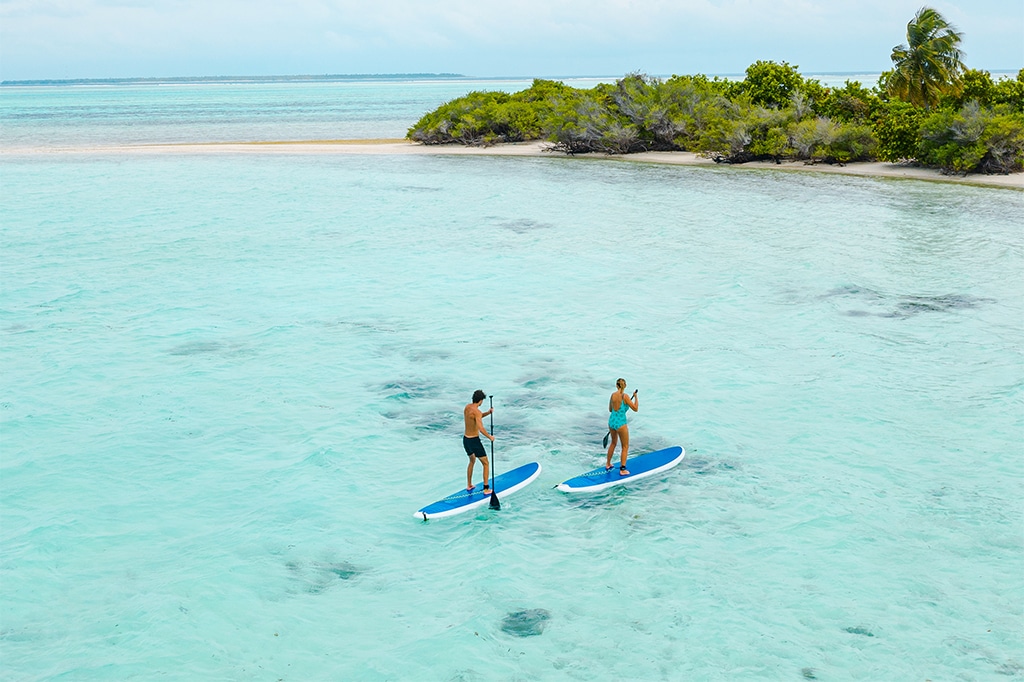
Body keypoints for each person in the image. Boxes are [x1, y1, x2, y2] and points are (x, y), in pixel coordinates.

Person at [463, 389, 495, 492]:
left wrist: (487, 413)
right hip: (475, 441)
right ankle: (486, 489)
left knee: (472, 461)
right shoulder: (477, 411)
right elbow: (480, 428)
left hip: (466, 440)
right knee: (486, 463)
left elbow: (476, 417)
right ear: (480, 400)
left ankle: (469, 485)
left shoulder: (467, 407)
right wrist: (490, 437)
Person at [606, 378, 638, 475]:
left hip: (612, 422)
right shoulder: (625, 396)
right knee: (625, 446)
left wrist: (622, 408)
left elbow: (610, 409)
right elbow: (635, 409)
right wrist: (636, 397)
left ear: (616, 385)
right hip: (621, 424)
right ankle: (622, 469)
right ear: (625, 386)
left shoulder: (612, 395)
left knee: (613, 443)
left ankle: (608, 464)